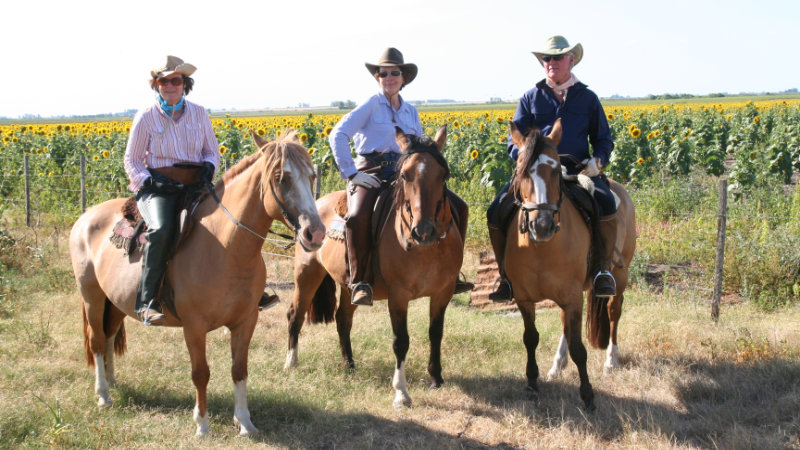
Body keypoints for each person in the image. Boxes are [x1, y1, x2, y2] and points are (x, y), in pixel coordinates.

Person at [329, 47, 473, 306]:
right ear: (377, 78)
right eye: (382, 73)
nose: (388, 77)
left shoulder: (410, 112)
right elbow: (337, 134)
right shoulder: (371, 106)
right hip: (371, 171)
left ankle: (453, 273)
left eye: (394, 72)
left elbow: (415, 148)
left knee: (459, 207)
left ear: (403, 78)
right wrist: (352, 173)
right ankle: (360, 281)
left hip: (404, 172)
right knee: (357, 216)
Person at [487, 36, 618, 302]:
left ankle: (602, 271)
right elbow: (515, 140)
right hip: (535, 172)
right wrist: (522, 155)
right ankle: (505, 277)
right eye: (547, 58)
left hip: (576, 170)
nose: (552, 63)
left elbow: (603, 138)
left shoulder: (588, 98)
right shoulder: (530, 97)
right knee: (496, 209)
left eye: (558, 57)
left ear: (571, 60)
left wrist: (598, 161)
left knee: (606, 202)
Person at [123, 55, 219, 325]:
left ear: (184, 84)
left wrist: (208, 168)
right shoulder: (146, 116)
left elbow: (212, 151)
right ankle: (146, 302)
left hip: (195, 185)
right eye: (163, 81)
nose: (169, 85)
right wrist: (149, 181)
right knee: (162, 229)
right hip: (159, 187)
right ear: (157, 85)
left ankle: (247, 291)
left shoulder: (199, 113)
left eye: (175, 80)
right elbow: (131, 159)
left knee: (227, 222)